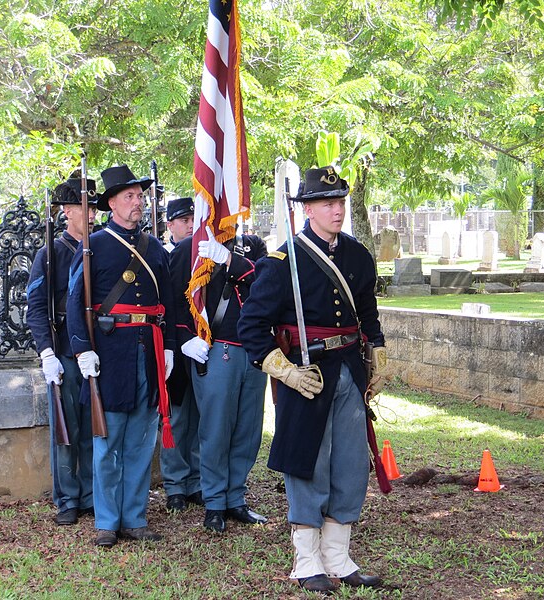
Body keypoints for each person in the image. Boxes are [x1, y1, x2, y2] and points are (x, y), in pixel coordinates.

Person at [238, 167, 389, 593]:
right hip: (304, 373)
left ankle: (339, 558)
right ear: (307, 209)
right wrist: (282, 370)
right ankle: (307, 562)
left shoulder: (358, 256)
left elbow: (367, 313)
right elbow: (252, 324)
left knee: (350, 464)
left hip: (348, 370)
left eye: (340, 201)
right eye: (328, 202)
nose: (337, 210)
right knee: (308, 463)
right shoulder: (283, 261)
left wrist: (377, 351)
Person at [66, 164, 176, 548]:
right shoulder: (94, 247)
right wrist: (82, 350)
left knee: (141, 442)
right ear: (111, 203)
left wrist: (171, 347)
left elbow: (170, 302)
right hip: (110, 355)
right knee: (107, 442)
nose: (138, 202)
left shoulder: (155, 249)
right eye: (129, 196)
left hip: (148, 352)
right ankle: (107, 521)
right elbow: (76, 302)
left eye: (140, 196)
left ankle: (134, 517)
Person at [171, 224, 268, 533]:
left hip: (254, 349)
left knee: (248, 429)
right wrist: (185, 337)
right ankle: (214, 502)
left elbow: (265, 284)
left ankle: (235, 497)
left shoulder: (251, 246)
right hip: (215, 350)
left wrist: (230, 259)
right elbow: (175, 301)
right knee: (215, 430)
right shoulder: (189, 249)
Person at [26, 177, 96, 526]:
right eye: (86, 207)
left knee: (95, 427)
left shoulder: (101, 247)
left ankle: (91, 493)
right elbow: (36, 307)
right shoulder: (50, 254)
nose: (93, 214)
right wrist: (47, 353)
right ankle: (68, 497)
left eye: (95, 208)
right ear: (68, 212)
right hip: (65, 350)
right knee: (67, 431)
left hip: (98, 349)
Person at [160, 197, 203, 511]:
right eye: (183, 219)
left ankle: (198, 481)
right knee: (176, 418)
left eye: (193, 218)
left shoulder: (204, 253)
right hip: (176, 346)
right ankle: (175, 483)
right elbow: (169, 305)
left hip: (204, 347)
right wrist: (179, 342)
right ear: (170, 225)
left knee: (202, 419)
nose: (190, 224)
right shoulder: (167, 257)